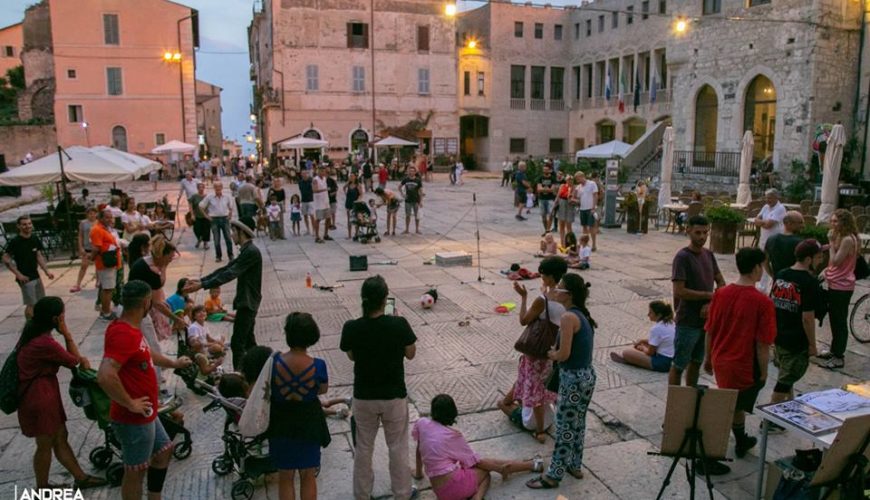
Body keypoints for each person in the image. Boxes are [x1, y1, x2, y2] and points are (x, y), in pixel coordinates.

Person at [96, 280, 192, 500]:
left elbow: (146, 354)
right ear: (146, 302)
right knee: (135, 470)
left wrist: (174, 363)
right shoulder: (124, 334)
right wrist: (130, 402)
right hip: (133, 417)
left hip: (146, 412)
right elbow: (104, 375)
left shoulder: (130, 328)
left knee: (164, 450)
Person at [16, 297, 106, 490]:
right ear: (56, 319)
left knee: (59, 436)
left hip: (43, 393)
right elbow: (74, 360)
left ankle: (80, 478)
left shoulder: (35, 336)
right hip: (40, 397)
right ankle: (42, 487)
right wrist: (66, 334)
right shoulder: (44, 343)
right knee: (46, 443)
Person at [340, 275, 417, 500]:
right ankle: (402, 493)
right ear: (385, 300)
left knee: (364, 447)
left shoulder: (352, 327)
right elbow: (411, 354)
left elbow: (352, 356)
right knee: (398, 447)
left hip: (364, 396)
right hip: (394, 396)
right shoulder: (398, 324)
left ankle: (362, 494)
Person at [526, 273, 597, 490]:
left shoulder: (568, 318)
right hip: (586, 375)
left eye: (559, 287)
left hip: (573, 378)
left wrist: (552, 354)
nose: (555, 290)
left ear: (568, 295)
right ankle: (574, 464)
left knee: (565, 426)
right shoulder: (581, 315)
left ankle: (553, 475)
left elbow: (564, 354)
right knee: (579, 422)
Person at [704, 248, 776, 459]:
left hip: (721, 358)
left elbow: (710, 328)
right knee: (732, 406)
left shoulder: (721, 293)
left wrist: (708, 357)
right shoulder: (763, 302)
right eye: (762, 266)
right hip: (743, 363)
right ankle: (713, 451)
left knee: (735, 404)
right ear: (756, 268)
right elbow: (763, 344)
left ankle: (740, 439)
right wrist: (763, 372)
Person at [414, 394, 543, 500]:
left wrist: (419, 473)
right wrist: (498, 469)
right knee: (485, 472)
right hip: (454, 487)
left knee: (482, 463)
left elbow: (418, 450)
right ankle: (478, 496)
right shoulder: (453, 436)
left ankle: (530, 465)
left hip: (440, 492)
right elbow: (477, 462)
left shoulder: (422, 424)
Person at [499, 257, 566, 444]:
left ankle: (538, 431)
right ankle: (537, 420)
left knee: (533, 385)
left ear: (550, 276)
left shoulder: (541, 300)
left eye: (543, 274)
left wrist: (523, 298)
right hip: (552, 350)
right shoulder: (566, 297)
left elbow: (523, 320)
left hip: (535, 351)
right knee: (543, 385)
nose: (541, 277)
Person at [269, 312, 331, 500]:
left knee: (285, 476)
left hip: (281, 423)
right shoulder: (318, 365)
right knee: (308, 474)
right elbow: (322, 390)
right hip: (308, 424)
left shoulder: (274, 362)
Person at [185, 220, 263, 368]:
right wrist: (202, 281)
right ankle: (259, 371)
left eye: (233, 232)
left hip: (248, 302)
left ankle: (239, 379)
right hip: (246, 301)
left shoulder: (251, 252)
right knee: (249, 342)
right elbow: (227, 268)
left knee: (237, 343)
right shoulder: (246, 250)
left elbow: (231, 273)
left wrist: (203, 284)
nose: (231, 235)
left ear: (242, 233)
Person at [767, 239, 823, 417]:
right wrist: (812, 344)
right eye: (818, 257)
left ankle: (787, 409)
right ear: (808, 259)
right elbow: (807, 318)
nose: (820, 261)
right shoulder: (809, 282)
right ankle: (772, 419)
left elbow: (772, 302)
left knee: (786, 375)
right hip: (796, 339)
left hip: (779, 334)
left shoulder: (782, 274)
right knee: (786, 379)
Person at [670, 215, 725, 387]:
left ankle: (691, 396)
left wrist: (711, 303)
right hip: (688, 320)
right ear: (688, 231)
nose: (702, 237)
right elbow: (680, 291)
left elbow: (721, 281)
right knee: (679, 365)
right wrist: (708, 296)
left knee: (696, 361)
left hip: (706, 320)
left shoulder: (708, 254)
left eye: (705, 233)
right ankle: (676, 401)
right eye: (698, 232)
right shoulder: (682, 257)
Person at [819, 209, 859, 369]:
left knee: (839, 321)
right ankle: (834, 350)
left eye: (836, 221)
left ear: (844, 222)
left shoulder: (848, 239)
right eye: (832, 221)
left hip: (842, 285)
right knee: (834, 320)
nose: (832, 224)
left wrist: (830, 243)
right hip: (836, 282)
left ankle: (838, 356)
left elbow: (835, 260)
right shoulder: (843, 237)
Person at [2, 216, 53, 320]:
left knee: (40, 302)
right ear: (19, 226)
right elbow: (6, 259)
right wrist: (19, 275)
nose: (27, 226)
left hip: (36, 275)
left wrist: (46, 271)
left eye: (29, 224)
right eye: (24, 224)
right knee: (31, 305)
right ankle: (29, 327)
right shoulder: (15, 242)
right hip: (25, 278)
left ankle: (39, 324)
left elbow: (38, 255)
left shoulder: (34, 238)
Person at [610, 300, 675, 372]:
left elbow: (650, 353)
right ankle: (636, 358)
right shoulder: (671, 323)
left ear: (659, 315)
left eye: (651, 312)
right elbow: (659, 341)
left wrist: (643, 348)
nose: (648, 314)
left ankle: (629, 360)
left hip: (662, 363)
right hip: (673, 360)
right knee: (643, 345)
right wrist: (643, 341)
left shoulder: (656, 328)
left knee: (627, 352)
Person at [91, 209, 122, 321]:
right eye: (107, 217)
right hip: (105, 264)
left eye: (111, 217)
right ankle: (106, 312)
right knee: (107, 289)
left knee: (109, 287)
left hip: (112, 262)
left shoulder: (105, 229)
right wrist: (91, 258)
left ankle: (106, 310)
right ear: (100, 218)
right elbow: (96, 248)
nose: (110, 219)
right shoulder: (97, 230)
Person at [754, 189, 787, 291]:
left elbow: (769, 225)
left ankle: (774, 285)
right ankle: (762, 286)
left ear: (776, 197)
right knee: (762, 262)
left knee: (772, 263)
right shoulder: (765, 207)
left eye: (770, 198)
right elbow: (756, 220)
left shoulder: (780, 208)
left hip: (775, 241)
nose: (768, 200)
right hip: (764, 239)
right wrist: (763, 222)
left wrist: (762, 223)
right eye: (766, 198)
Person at [199, 182, 235, 263]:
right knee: (216, 239)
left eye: (219, 187)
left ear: (222, 187)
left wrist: (230, 214)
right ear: (214, 188)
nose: (218, 189)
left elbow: (231, 206)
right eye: (216, 187)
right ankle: (218, 256)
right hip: (214, 219)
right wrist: (206, 216)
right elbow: (201, 206)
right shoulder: (210, 197)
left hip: (225, 219)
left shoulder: (227, 196)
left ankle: (230, 255)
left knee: (228, 238)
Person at [764, 211, 805, 279]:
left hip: (778, 283)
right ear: (789, 224)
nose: (803, 226)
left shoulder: (771, 239)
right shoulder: (800, 242)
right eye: (800, 223)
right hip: (794, 283)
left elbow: (765, 261)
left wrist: (773, 275)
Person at [71, 208, 99, 293]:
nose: (92, 215)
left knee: (98, 266)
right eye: (90, 213)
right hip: (87, 247)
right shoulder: (83, 223)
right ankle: (78, 284)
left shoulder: (99, 222)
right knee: (84, 266)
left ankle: (98, 282)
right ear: (87, 214)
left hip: (96, 247)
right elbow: (80, 236)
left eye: (93, 213)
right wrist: (80, 247)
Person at [574, 172, 599, 252]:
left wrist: (593, 207)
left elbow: (595, 195)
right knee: (584, 226)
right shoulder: (579, 187)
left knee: (591, 227)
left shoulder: (592, 184)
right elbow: (578, 198)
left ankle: (594, 244)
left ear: (582, 176)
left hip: (590, 208)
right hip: (582, 208)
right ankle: (585, 243)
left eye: (578, 179)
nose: (578, 181)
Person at [400, 166, 424, 234]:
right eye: (410, 171)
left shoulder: (418, 180)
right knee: (408, 215)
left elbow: (421, 191)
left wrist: (421, 201)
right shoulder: (406, 179)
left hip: (416, 200)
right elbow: (399, 187)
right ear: (408, 172)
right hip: (408, 200)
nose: (411, 172)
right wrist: (403, 194)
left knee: (417, 215)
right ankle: (407, 229)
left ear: (415, 172)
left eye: (413, 171)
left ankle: (417, 229)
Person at [536, 164, 557, 236]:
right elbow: (538, 189)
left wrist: (543, 189)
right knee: (543, 216)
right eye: (544, 169)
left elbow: (553, 190)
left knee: (550, 215)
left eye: (546, 169)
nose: (545, 171)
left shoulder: (553, 178)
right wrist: (548, 189)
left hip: (550, 199)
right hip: (541, 199)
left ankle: (548, 231)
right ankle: (546, 230)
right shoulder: (540, 178)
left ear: (549, 170)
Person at [189, 182, 211, 250]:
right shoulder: (194, 196)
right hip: (197, 216)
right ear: (197, 188)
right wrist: (192, 214)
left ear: (204, 188)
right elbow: (191, 205)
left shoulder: (207, 196)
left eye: (202, 187)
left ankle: (205, 243)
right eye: (199, 187)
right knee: (196, 229)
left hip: (206, 216)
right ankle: (199, 238)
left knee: (206, 230)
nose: (201, 189)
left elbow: (210, 205)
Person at [312, 166, 331, 242]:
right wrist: (325, 189)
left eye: (324, 171)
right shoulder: (315, 180)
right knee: (318, 219)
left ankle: (325, 234)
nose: (323, 173)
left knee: (328, 218)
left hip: (326, 201)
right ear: (318, 171)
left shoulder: (325, 179)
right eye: (322, 171)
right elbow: (314, 190)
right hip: (319, 203)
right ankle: (317, 236)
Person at [555, 175, 575, 245]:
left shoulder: (574, 187)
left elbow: (572, 197)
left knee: (569, 225)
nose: (570, 181)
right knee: (561, 224)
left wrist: (570, 193)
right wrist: (555, 203)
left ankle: (569, 242)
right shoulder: (562, 185)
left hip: (569, 205)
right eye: (568, 180)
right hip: (561, 204)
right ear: (566, 180)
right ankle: (562, 242)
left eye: (571, 180)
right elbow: (558, 195)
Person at [344, 173, 364, 239]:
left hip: (355, 204)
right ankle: (349, 235)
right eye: (350, 176)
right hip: (348, 203)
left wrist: (358, 200)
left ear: (355, 177)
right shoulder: (349, 184)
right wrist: (345, 194)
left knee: (356, 219)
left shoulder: (358, 185)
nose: (351, 177)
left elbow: (361, 194)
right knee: (349, 219)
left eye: (352, 176)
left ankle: (356, 233)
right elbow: (344, 187)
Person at [298, 169, 315, 237]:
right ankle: (308, 229)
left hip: (310, 200)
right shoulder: (300, 182)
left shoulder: (311, 181)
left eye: (305, 173)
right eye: (303, 173)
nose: (304, 175)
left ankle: (314, 229)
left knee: (312, 215)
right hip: (303, 200)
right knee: (305, 215)